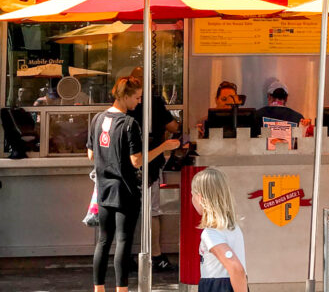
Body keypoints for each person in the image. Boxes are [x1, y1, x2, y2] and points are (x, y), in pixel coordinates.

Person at [87, 75, 180, 292]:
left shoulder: (97, 119)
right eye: (137, 98)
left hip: (103, 189)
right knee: (122, 241)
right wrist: (164, 147)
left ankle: (98, 288)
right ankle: (122, 289)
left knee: (103, 241)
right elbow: (137, 160)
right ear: (126, 96)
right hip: (126, 189)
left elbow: (91, 154)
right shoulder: (129, 124)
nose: (139, 102)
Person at [127, 66, 180, 273]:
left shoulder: (125, 107)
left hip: (128, 166)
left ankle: (128, 254)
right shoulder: (155, 102)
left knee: (131, 213)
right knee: (152, 211)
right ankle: (156, 255)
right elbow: (173, 127)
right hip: (149, 162)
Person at [191, 166, 248, 292]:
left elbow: (236, 268)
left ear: (200, 198)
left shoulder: (211, 233)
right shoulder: (232, 227)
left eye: (192, 195)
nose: (192, 199)